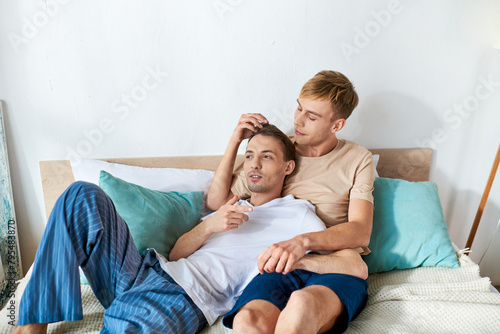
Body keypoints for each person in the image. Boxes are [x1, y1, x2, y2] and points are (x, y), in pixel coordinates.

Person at [14, 124, 332, 334]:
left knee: (128, 325)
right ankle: (33, 324)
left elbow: (347, 257)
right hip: (144, 270)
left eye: (266, 157)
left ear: (287, 167)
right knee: (80, 195)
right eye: (249, 156)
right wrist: (210, 226)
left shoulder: (299, 216)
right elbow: (179, 251)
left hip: (184, 298)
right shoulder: (232, 207)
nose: (254, 164)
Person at [207, 70, 374, 333]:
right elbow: (219, 201)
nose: (298, 121)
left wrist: (301, 243)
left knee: (301, 305)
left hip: (335, 262)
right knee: (247, 320)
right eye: (298, 108)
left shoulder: (357, 158)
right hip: (281, 264)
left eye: (312, 116)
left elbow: (361, 232)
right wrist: (235, 140)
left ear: (337, 125)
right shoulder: (279, 150)